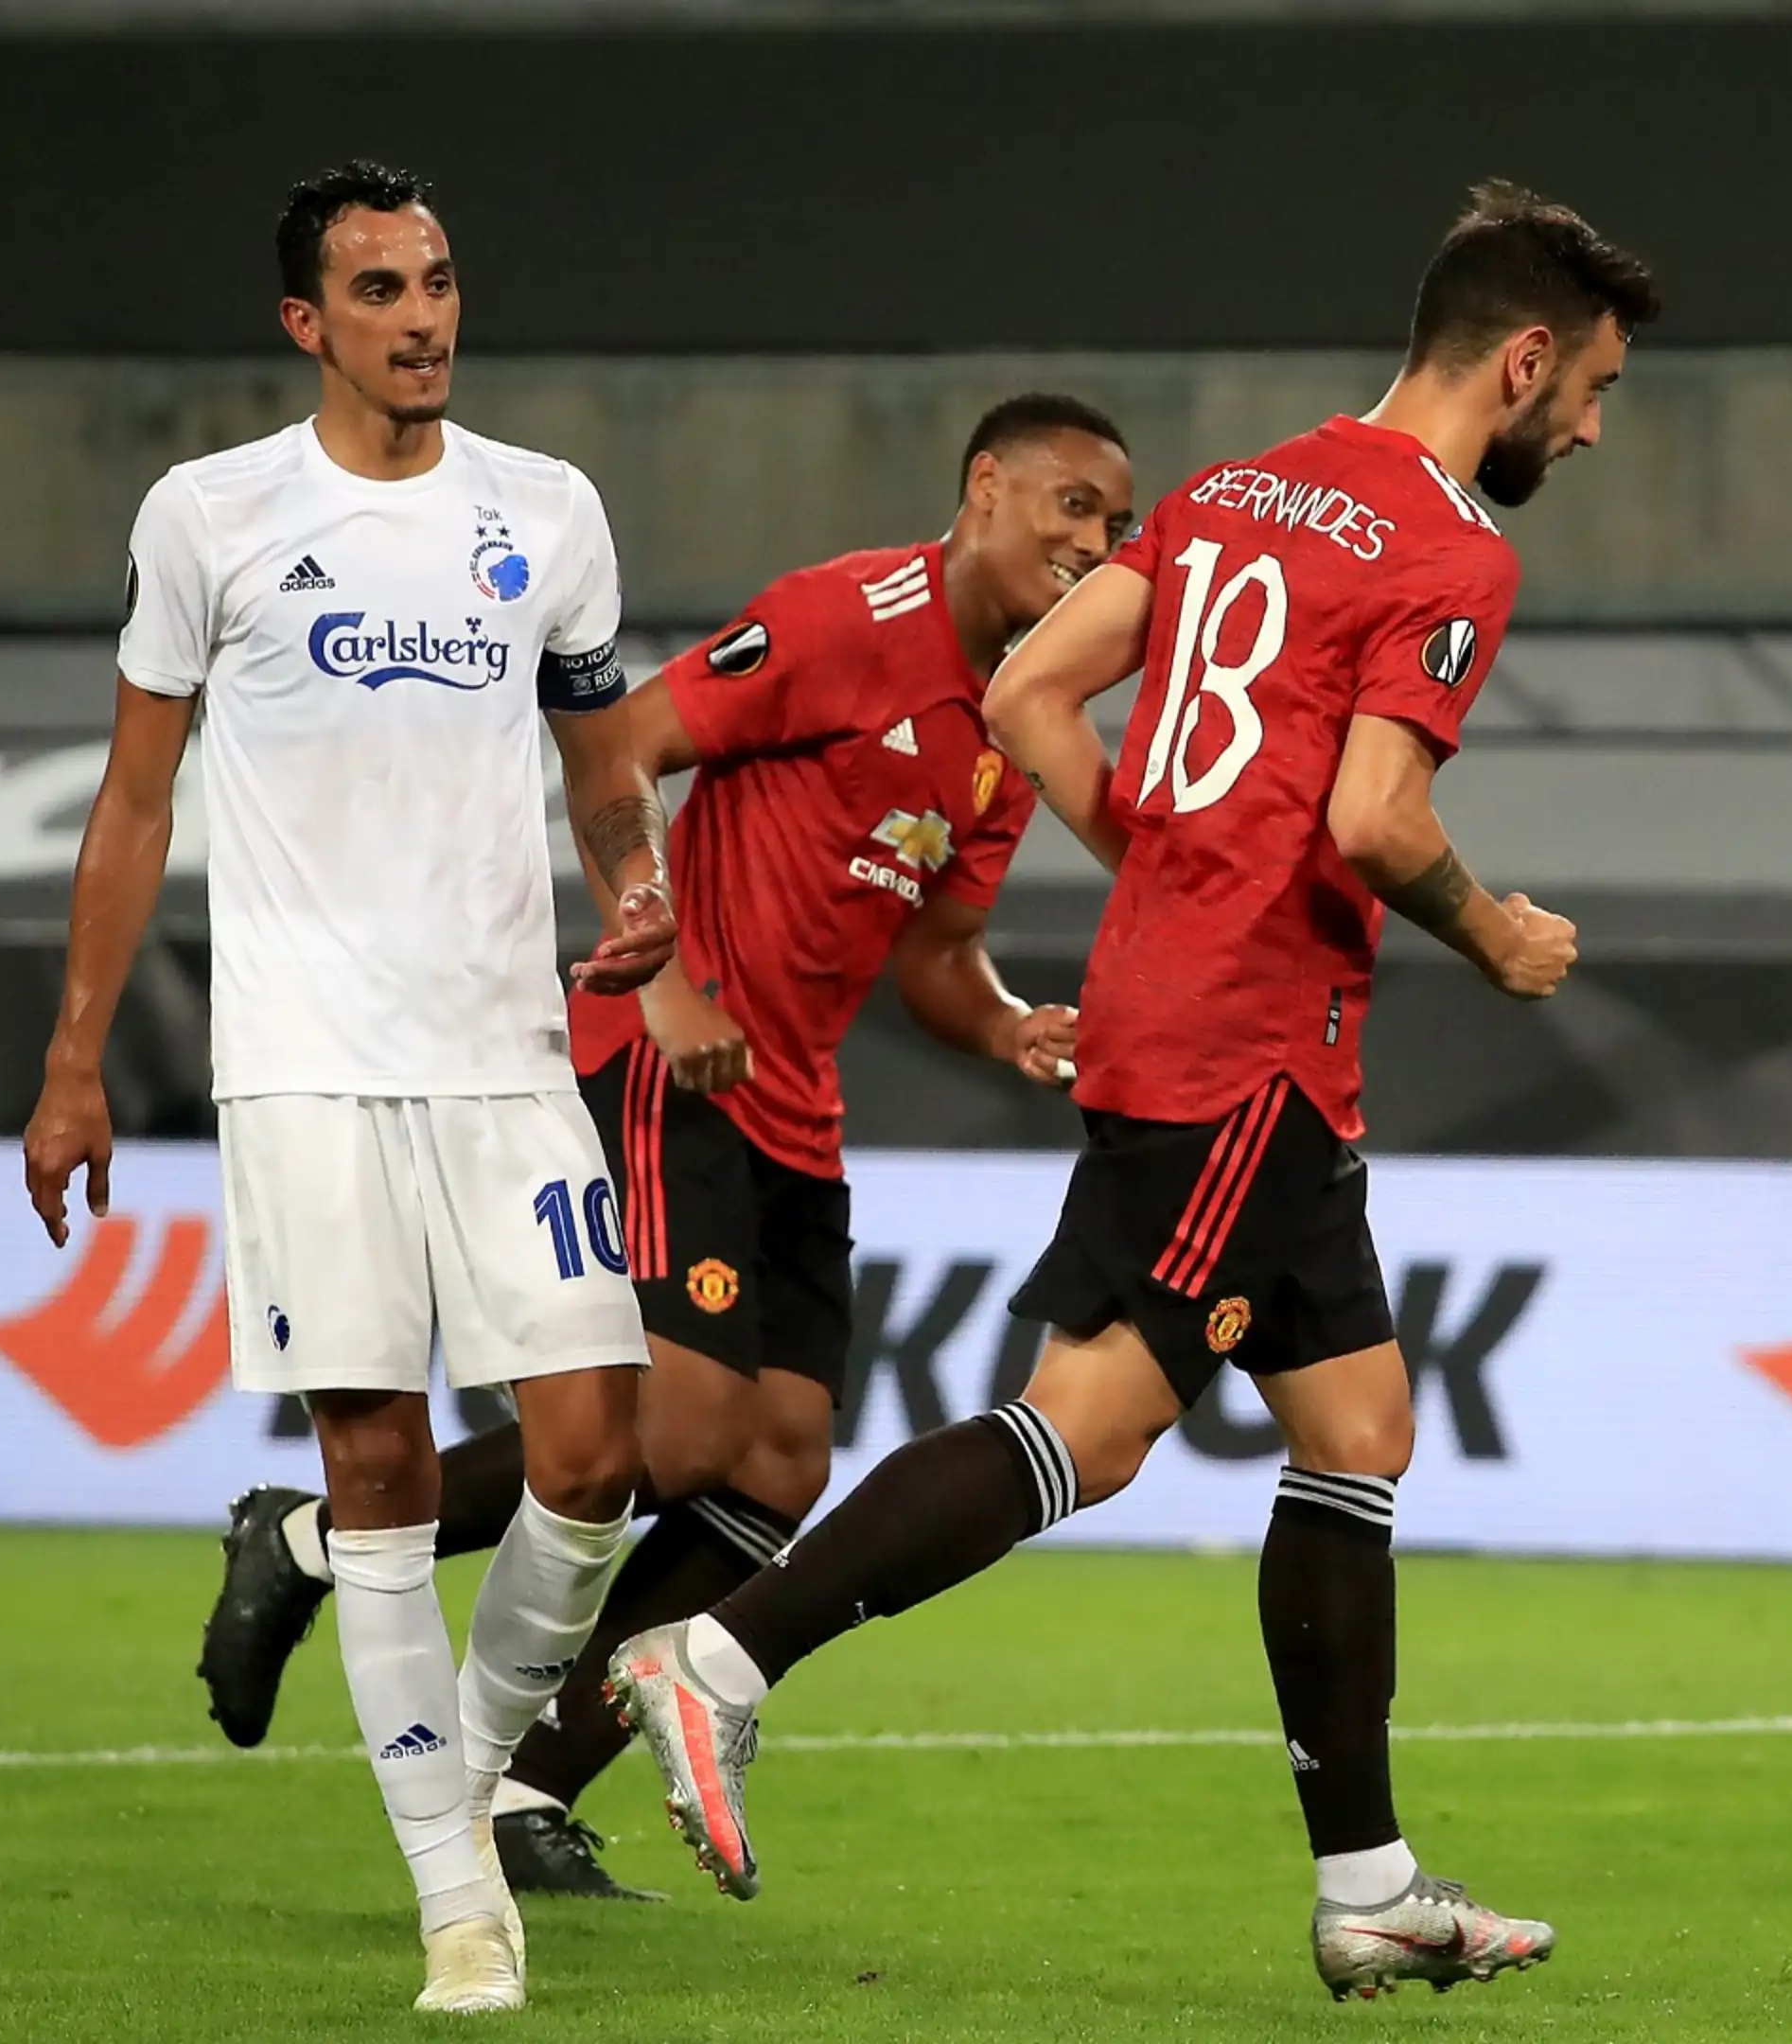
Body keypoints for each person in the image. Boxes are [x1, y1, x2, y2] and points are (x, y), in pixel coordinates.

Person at [598, 181, 1657, 1999]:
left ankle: (1373, 1889)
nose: (1590, 425)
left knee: (1357, 1429)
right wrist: (1498, 938)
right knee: (1086, 1430)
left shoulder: (1244, 487)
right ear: (1530, 357)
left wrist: (1158, 860)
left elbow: (1023, 695)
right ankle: (719, 1659)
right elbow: (1376, 820)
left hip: (1206, 1029)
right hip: (1248, 1045)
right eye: (1597, 390)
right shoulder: (1453, 549)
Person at [193, 398, 1135, 1901]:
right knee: (680, 1426)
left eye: (1116, 529)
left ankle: (521, 1793)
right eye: (1072, 507)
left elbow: (940, 957)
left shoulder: (1017, 728)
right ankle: (307, 1537)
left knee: (778, 1461)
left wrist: (1014, 1024)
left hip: (792, 1110)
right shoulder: (841, 619)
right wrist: (674, 971)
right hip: (663, 1060)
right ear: (984, 489)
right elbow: (620, 742)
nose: (1093, 545)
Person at [21, 160, 677, 2014]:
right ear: (307, 323)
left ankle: (460, 1787)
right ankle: (455, 1898)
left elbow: (601, 766)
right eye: (381, 291)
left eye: (442, 282)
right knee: (377, 1464)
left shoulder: (545, 514)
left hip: (503, 1053)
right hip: (303, 1066)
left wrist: (636, 888)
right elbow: (137, 799)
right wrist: (75, 1065)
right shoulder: (211, 518)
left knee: (594, 1450)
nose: (425, 319)